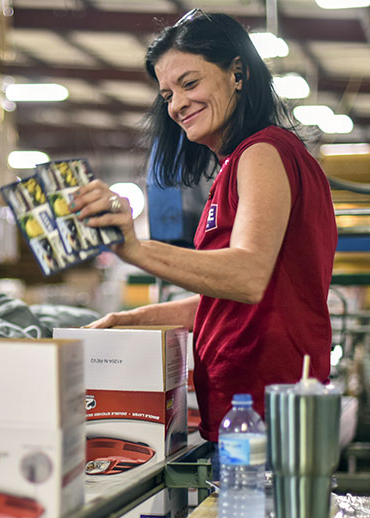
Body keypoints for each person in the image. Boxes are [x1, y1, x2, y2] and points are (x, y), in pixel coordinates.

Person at [69, 9, 337, 473]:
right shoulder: (247, 161)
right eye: (168, 93)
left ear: (238, 73)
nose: (176, 105)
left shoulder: (261, 154)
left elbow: (248, 276)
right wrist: (135, 320)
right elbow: (243, 301)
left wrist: (135, 248)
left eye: (190, 83)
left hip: (265, 417)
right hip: (252, 414)